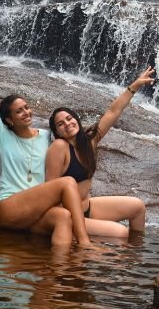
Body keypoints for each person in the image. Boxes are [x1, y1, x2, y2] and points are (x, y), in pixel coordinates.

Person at [0, 33, 91, 247]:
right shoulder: (3, 136)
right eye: (18, 111)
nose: (26, 112)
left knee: (63, 217)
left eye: (26, 107)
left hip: (38, 209)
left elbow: (71, 142)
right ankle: (85, 243)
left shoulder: (46, 136)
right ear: (8, 119)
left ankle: (59, 275)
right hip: (9, 206)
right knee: (67, 183)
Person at [44, 67, 152, 237]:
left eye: (69, 118)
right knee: (121, 233)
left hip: (88, 207)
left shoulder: (90, 141)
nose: (67, 124)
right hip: (68, 215)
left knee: (137, 207)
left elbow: (113, 112)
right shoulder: (59, 147)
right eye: (60, 124)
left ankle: (134, 257)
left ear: (76, 120)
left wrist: (135, 85)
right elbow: (49, 192)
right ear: (57, 132)